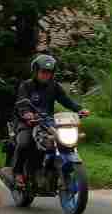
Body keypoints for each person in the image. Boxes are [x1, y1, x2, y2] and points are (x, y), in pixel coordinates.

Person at [10, 53, 88, 189]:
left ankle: (51, 170)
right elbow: (21, 102)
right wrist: (26, 113)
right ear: (36, 71)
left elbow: (66, 101)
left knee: (60, 141)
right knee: (24, 142)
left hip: (47, 122)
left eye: (49, 72)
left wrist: (79, 109)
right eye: (43, 72)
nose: (46, 75)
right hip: (27, 122)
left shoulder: (54, 86)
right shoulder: (26, 86)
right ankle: (17, 173)